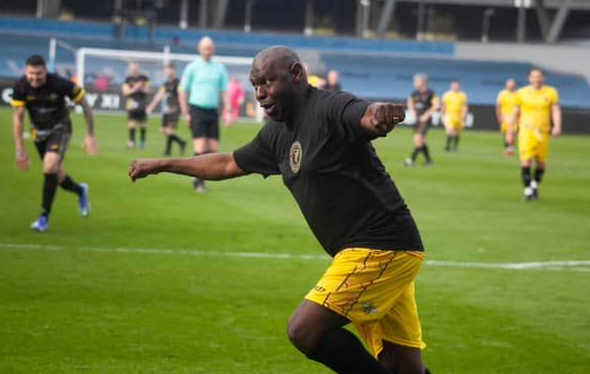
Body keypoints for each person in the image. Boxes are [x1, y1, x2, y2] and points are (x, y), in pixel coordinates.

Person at [130, 46, 430, 374]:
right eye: (255, 85)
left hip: (381, 246)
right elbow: (228, 162)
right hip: (372, 251)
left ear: (296, 75)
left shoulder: (329, 106)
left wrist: (378, 115)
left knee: (305, 330)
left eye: (267, 83)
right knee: (403, 366)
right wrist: (162, 164)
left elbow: (364, 115)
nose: (259, 93)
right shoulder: (277, 132)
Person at [11, 54, 97, 232]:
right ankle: (80, 191)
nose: (35, 77)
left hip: (60, 129)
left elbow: (85, 105)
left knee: (49, 167)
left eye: (39, 73)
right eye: (31, 74)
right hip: (39, 133)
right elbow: (18, 118)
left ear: (45, 71)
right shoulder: (20, 86)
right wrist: (20, 150)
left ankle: (43, 217)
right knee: (57, 176)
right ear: (25, 72)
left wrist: (90, 135)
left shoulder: (60, 84)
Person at [178, 36, 230, 192]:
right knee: (200, 146)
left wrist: (228, 110)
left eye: (210, 48)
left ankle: (196, 173)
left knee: (213, 149)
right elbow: (182, 89)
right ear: (199, 49)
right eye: (205, 48)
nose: (207, 50)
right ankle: (198, 181)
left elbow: (224, 90)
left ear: (213, 49)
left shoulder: (219, 68)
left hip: (212, 111)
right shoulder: (192, 67)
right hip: (196, 109)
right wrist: (185, 112)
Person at [506, 67, 561, 201]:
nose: (536, 79)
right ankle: (527, 191)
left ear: (543, 78)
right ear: (529, 78)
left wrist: (557, 125)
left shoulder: (551, 92)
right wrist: (510, 131)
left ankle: (534, 184)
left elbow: (555, 110)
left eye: (539, 76)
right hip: (526, 131)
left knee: (541, 163)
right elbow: (515, 113)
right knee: (526, 160)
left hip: (543, 132)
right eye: (534, 76)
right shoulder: (521, 93)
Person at [146, 63, 187, 157]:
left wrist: (183, 110)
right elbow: (159, 95)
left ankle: (168, 151)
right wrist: (151, 106)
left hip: (175, 108)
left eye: (170, 70)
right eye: (166, 70)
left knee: (169, 130)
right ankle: (181, 142)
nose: (168, 72)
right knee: (163, 130)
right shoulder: (165, 83)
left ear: (174, 71)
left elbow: (181, 96)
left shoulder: (178, 82)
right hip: (167, 108)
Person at [404, 73, 439, 166]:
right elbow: (409, 101)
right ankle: (429, 161)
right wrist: (412, 111)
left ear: (422, 82)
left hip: (425, 120)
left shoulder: (430, 93)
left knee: (418, 139)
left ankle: (411, 160)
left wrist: (427, 114)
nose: (415, 83)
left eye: (416, 81)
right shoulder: (414, 93)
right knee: (418, 141)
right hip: (417, 120)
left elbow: (436, 105)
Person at [122, 62, 151, 148]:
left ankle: (142, 141)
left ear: (138, 68)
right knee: (131, 122)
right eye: (131, 68)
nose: (133, 70)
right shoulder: (127, 79)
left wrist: (141, 87)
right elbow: (125, 92)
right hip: (131, 103)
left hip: (142, 102)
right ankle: (132, 141)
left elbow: (148, 90)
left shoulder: (144, 78)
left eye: (135, 68)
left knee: (143, 123)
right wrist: (135, 88)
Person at [441, 79, 468, 152]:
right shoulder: (446, 94)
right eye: (454, 85)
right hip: (449, 115)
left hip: (458, 116)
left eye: (457, 85)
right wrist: (442, 116)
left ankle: (455, 146)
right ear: (451, 85)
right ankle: (447, 146)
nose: (456, 86)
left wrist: (464, 114)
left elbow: (464, 106)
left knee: (457, 132)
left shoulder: (462, 95)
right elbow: (443, 106)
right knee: (449, 130)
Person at [496, 78, 518, 155]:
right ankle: (508, 148)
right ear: (506, 85)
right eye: (509, 84)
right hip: (504, 116)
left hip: (514, 117)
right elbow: (498, 106)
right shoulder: (502, 94)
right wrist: (499, 116)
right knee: (505, 133)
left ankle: (509, 148)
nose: (511, 86)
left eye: (512, 84)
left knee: (511, 133)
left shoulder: (518, 94)